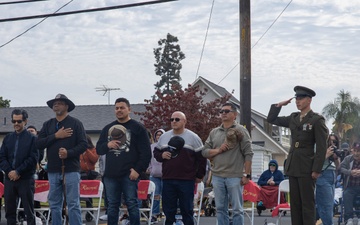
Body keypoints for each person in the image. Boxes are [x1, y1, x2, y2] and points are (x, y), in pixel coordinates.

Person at [267, 85, 328, 225]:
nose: (297, 101)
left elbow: (321, 146)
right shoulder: (293, 118)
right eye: (296, 99)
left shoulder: (316, 120)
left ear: (309, 100)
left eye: (301, 98)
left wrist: (316, 169)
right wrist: (278, 105)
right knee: (294, 204)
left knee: (307, 203)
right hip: (293, 165)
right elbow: (271, 119)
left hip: (307, 166)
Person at [96, 97, 151, 225]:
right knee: (112, 206)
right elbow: (98, 149)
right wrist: (107, 145)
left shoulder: (138, 128)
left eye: (122, 107)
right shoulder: (107, 128)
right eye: (116, 108)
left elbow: (146, 153)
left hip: (130, 174)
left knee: (132, 205)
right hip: (110, 175)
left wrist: (138, 170)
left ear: (129, 109)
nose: (119, 110)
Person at [36, 94, 87, 225]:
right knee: (54, 203)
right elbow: (39, 143)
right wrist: (56, 136)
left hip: (71, 169)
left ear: (66, 106)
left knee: (73, 203)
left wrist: (69, 153)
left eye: (59, 103)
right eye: (54, 103)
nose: (56, 105)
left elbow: (83, 145)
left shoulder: (76, 123)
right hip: (52, 169)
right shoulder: (48, 125)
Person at [202, 102, 253, 225]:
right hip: (218, 176)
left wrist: (246, 174)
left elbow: (248, 153)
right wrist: (218, 150)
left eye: (226, 111)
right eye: (221, 111)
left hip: (235, 176)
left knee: (237, 210)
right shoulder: (214, 132)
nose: (223, 113)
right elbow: (204, 152)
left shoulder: (241, 130)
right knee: (220, 209)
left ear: (235, 114)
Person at [153, 111, 206, 225]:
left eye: (177, 119)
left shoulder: (193, 137)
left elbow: (201, 158)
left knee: (187, 210)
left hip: (186, 180)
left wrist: (199, 175)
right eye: (171, 119)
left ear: (185, 121)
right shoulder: (164, 136)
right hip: (168, 178)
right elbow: (156, 152)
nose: (174, 122)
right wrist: (161, 155)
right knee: (168, 210)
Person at [0, 109, 38, 225]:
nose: (16, 124)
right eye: (14, 121)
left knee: (29, 211)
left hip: (25, 179)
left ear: (25, 121)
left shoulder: (33, 139)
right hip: (10, 180)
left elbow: (33, 158)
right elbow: (2, 157)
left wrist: (18, 171)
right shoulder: (8, 138)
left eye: (19, 121)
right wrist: (10, 171)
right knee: (9, 211)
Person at [316, 134, 341, 225]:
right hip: (323, 175)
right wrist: (326, 154)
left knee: (330, 206)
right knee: (325, 206)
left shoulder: (335, 151)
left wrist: (336, 157)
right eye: (330, 141)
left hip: (332, 175)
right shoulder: (320, 148)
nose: (332, 143)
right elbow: (315, 163)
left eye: (335, 141)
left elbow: (338, 167)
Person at [340, 142, 360, 225]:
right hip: (350, 186)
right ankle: (349, 218)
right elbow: (341, 168)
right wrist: (350, 172)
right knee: (346, 194)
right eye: (354, 151)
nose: (356, 153)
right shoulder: (348, 159)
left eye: (358, 151)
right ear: (352, 151)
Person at [148, 128, 165, 224]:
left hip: (166, 175)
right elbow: (148, 159)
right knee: (155, 195)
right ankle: (154, 214)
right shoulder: (151, 147)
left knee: (167, 196)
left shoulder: (167, 146)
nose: (159, 136)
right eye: (157, 135)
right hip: (154, 175)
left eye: (161, 134)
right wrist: (150, 169)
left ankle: (168, 214)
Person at [80, 135, 99, 211]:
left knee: (89, 192)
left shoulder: (93, 150)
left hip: (88, 174)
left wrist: (87, 150)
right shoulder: (79, 151)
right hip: (79, 173)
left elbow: (94, 159)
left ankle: (90, 209)